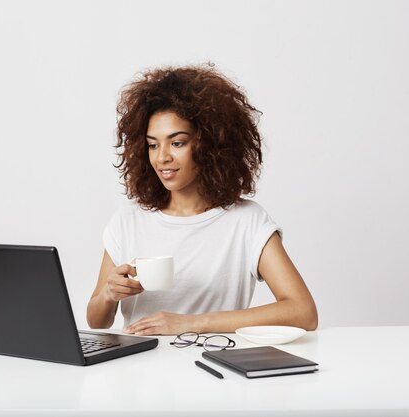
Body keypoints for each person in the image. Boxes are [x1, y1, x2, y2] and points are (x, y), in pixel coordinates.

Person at [86, 63, 317, 336]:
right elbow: (96, 321)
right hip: (136, 370)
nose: (162, 157)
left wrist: (192, 324)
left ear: (210, 144)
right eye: (152, 144)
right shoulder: (129, 220)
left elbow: (303, 312)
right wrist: (109, 295)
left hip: (211, 367)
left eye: (178, 142)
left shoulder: (246, 221)